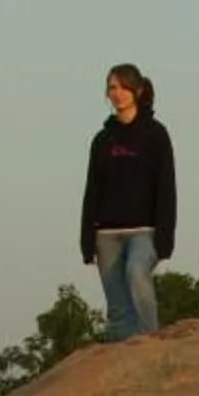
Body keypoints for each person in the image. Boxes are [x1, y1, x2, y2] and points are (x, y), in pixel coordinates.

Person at [79, 64, 177, 343]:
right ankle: (122, 360)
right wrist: (86, 239)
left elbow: (166, 188)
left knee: (136, 272)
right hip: (106, 236)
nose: (118, 93)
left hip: (144, 232)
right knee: (118, 309)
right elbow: (92, 191)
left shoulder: (156, 134)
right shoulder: (102, 140)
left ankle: (150, 342)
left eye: (123, 87)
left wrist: (166, 237)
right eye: (112, 87)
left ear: (138, 90)